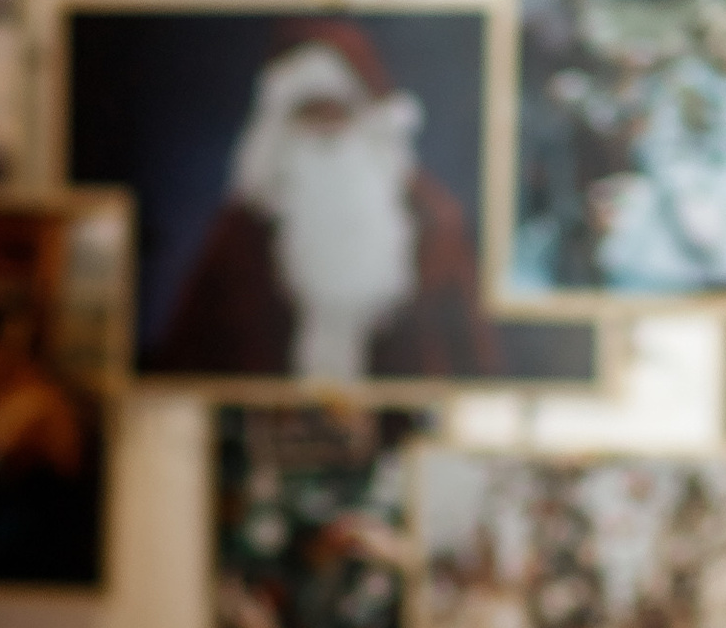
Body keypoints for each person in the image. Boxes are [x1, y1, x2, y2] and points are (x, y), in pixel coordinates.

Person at [150, 25, 493, 382]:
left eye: (337, 112)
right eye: (310, 114)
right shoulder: (240, 235)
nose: (326, 131)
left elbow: (467, 362)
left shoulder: (433, 219)